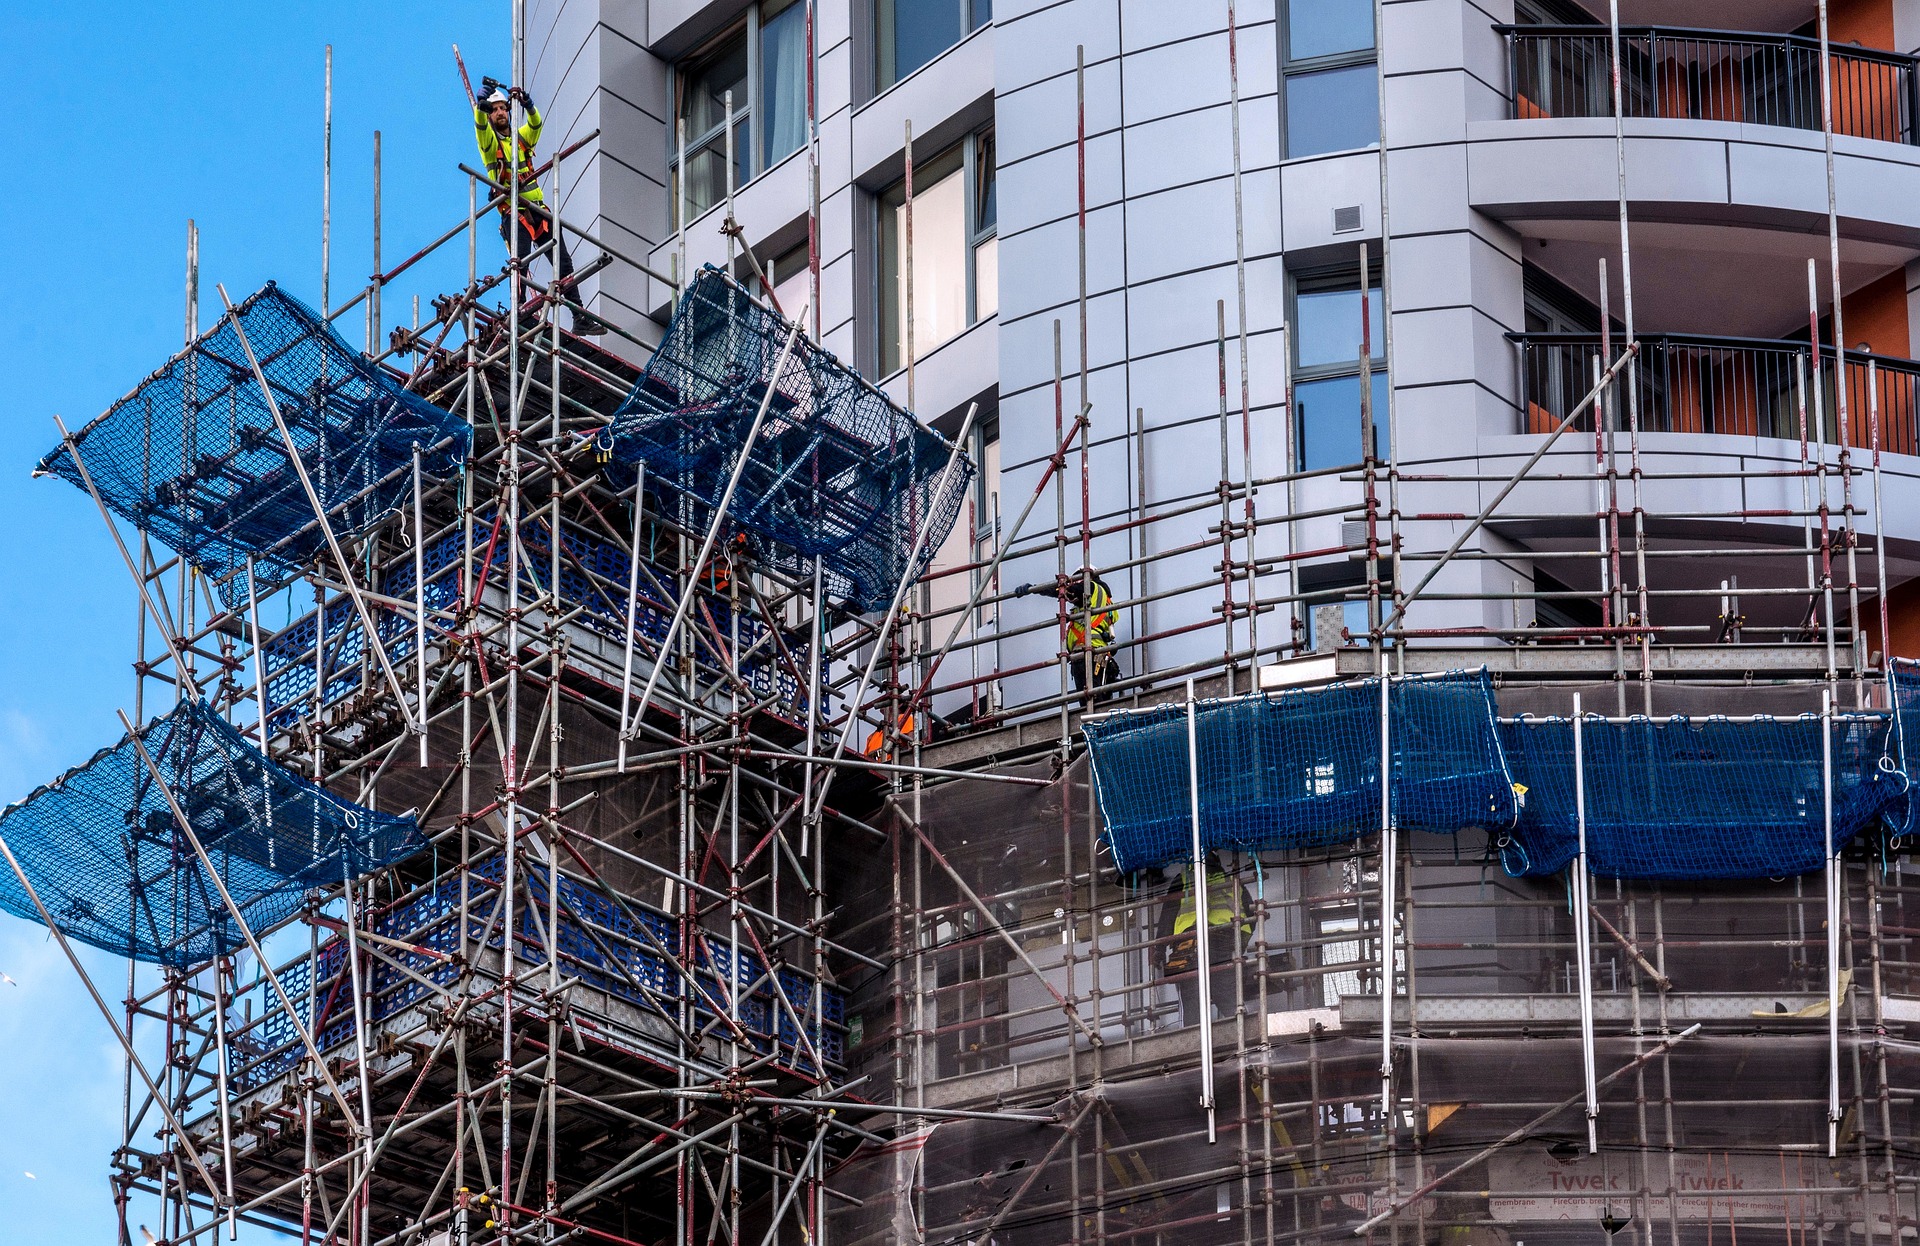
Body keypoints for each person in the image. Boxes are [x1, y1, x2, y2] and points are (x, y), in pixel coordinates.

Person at [474, 82, 603, 335]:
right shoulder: (490, 145)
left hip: (538, 211)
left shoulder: (520, 138)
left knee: (563, 263)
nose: (501, 113)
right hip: (515, 213)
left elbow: (536, 125)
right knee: (518, 264)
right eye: (495, 110)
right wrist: (480, 107)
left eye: (504, 108)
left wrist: (529, 106)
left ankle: (579, 314)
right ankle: (519, 313)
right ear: (490, 115)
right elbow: (480, 129)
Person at [1158, 853, 1254, 1027]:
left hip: (1190, 945)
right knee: (1228, 996)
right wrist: (1240, 944)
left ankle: (1195, 1041)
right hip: (1225, 943)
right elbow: (1250, 917)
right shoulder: (1231, 881)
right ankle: (1243, 1035)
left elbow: (1168, 917)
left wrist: (1158, 950)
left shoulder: (1184, 880)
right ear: (1217, 860)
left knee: (1193, 1000)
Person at [1013, 567, 1119, 694]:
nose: (1074, 583)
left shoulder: (1090, 587)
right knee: (1095, 701)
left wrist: (1034, 589)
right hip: (1094, 656)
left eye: (1076, 580)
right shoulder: (1104, 601)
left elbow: (1064, 590)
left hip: (1089, 654)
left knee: (1091, 702)